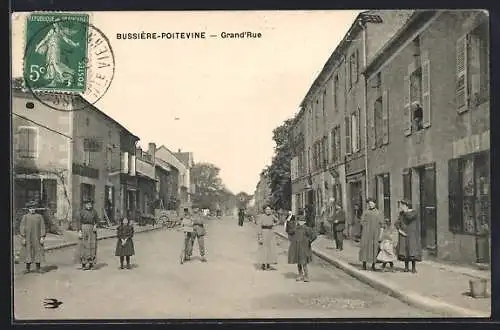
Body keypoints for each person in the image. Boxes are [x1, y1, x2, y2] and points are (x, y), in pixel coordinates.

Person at [286, 213, 317, 282]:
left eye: (302, 221)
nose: (300, 223)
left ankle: (306, 276)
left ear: (305, 222)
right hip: (297, 248)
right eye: (299, 221)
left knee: (304, 262)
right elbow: (288, 230)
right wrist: (288, 219)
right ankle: (300, 274)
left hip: (304, 248)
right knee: (298, 262)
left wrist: (309, 241)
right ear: (297, 222)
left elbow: (314, 235)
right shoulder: (295, 229)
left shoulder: (307, 229)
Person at [395, 199, 422, 273]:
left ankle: (413, 268)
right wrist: (400, 230)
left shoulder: (414, 212)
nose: (401, 207)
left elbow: (409, 217)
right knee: (405, 251)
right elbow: (397, 223)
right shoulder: (401, 213)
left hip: (412, 235)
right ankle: (406, 267)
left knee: (412, 251)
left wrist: (405, 211)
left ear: (407, 206)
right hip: (404, 234)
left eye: (402, 205)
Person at [19, 200, 46, 274]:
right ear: (28, 209)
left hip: (37, 237)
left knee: (38, 251)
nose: (32, 209)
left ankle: (38, 268)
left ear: (36, 208)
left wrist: (42, 237)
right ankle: (27, 268)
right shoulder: (25, 217)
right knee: (28, 251)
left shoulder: (39, 217)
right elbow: (22, 227)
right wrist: (23, 237)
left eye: (33, 208)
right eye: (30, 208)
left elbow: (42, 227)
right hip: (28, 238)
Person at [358, 198, 385, 271]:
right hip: (366, 233)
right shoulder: (365, 212)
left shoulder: (379, 213)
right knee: (365, 248)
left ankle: (373, 265)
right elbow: (361, 222)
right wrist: (366, 226)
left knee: (374, 249)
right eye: (369, 204)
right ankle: (364, 265)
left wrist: (380, 235)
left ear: (375, 204)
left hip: (375, 234)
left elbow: (382, 225)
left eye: (372, 203)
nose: (371, 205)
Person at [77, 198, 100, 270]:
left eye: (90, 204)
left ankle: (91, 263)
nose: (89, 205)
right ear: (85, 205)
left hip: (92, 230)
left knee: (92, 245)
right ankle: (83, 264)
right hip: (84, 228)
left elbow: (97, 220)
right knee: (84, 245)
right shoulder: (82, 212)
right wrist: (79, 231)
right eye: (87, 204)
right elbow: (79, 222)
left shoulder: (94, 212)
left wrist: (95, 226)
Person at [256, 206, 279, 270]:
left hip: (271, 233)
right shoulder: (261, 216)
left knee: (270, 249)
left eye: (269, 209)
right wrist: (259, 236)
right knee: (263, 248)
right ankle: (263, 264)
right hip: (264, 233)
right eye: (267, 209)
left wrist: (274, 224)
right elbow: (258, 226)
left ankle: (268, 264)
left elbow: (277, 221)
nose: (268, 211)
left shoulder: (272, 216)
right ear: (264, 210)